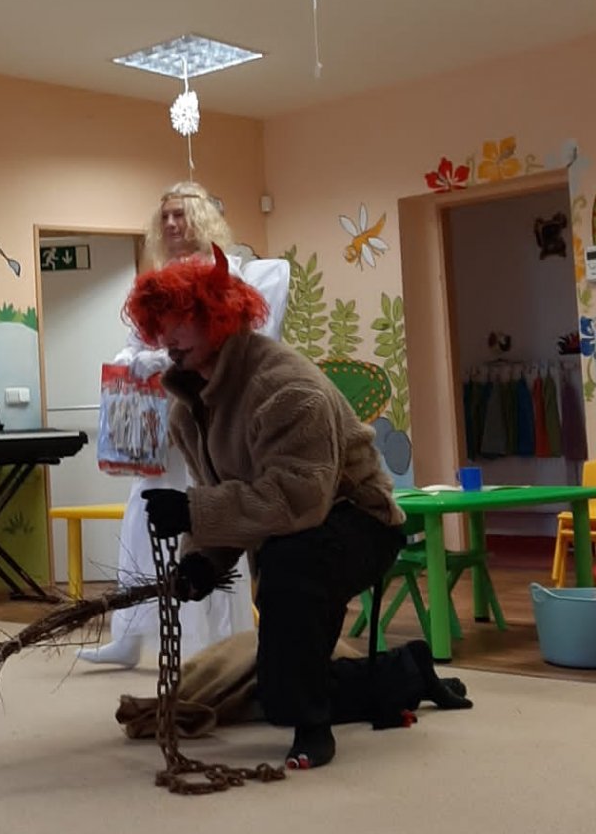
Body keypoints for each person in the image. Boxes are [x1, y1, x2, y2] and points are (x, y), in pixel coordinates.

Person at [129, 246, 406, 771]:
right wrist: (201, 561)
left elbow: (296, 498)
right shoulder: (188, 411)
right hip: (291, 530)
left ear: (219, 317)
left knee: (290, 565)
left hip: (359, 522)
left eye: (181, 321)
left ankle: (312, 725)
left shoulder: (287, 389)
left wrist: (192, 512)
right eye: (159, 324)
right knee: (279, 684)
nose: (167, 337)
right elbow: (228, 495)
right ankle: (401, 675)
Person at [79, 182, 290, 669]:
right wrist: (130, 358)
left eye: (181, 214)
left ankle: (212, 642)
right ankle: (130, 632)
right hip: (160, 422)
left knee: (204, 520)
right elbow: (140, 335)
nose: (173, 223)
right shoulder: (158, 277)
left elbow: (233, 339)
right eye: (166, 216)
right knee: (142, 518)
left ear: (202, 218)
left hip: (204, 415)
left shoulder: (227, 273)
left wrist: (164, 360)